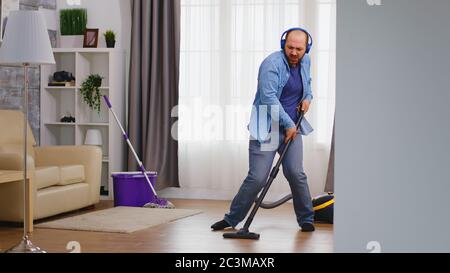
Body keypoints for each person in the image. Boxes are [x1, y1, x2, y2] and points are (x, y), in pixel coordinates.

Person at [211, 28, 316, 232]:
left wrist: (307, 99)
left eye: (299, 49)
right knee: (258, 177)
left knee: (296, 173)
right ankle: (232, 219)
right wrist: (288, 125)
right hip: (267, 128)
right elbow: (268, 98)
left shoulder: (306, 61)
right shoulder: (271, 64)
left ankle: (306, 218)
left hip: (291, 128)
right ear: (283, 44)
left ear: (306, 48)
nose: (294, 52)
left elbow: (308, 86)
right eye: (290, 47)